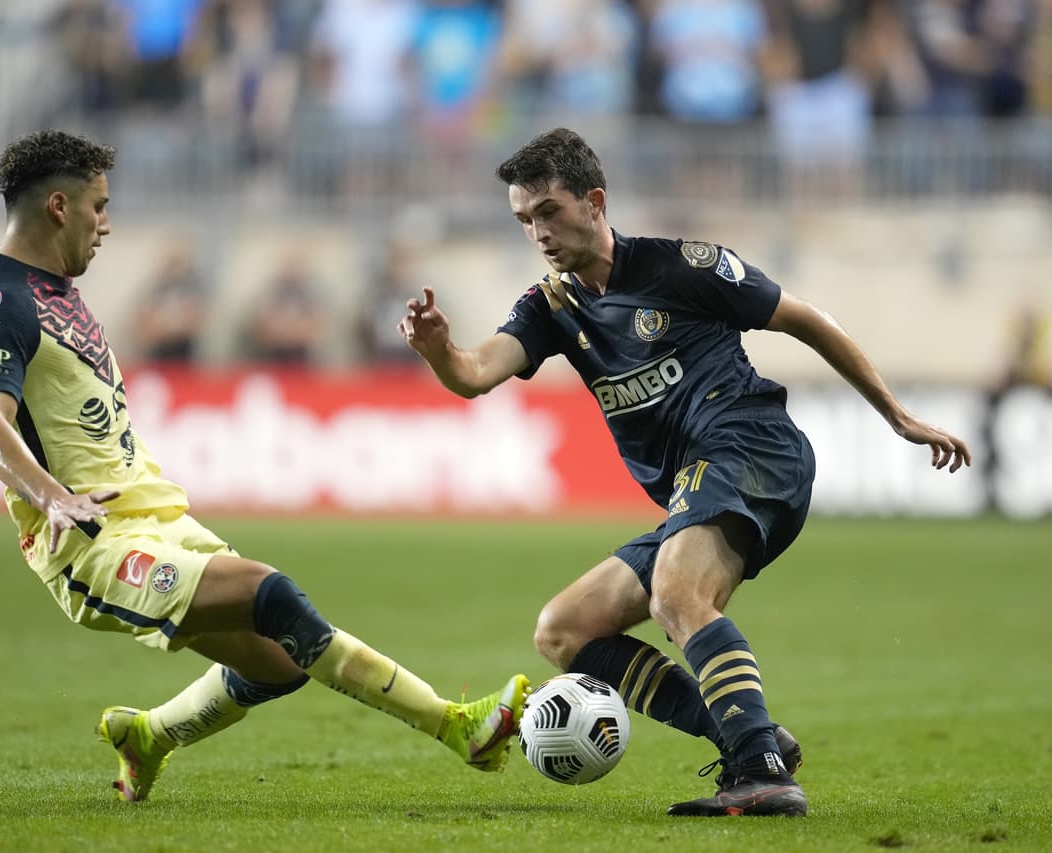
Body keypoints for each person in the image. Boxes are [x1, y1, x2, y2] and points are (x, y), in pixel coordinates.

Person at [0, 129, 528, 803]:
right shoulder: (4, 300)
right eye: (98, 207)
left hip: (153, 515)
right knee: (272, 595)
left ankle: (146, 736)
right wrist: (51, 495)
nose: (106, 224)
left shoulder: (25, 288)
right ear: (58, 206)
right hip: (92, 542)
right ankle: (457, 727)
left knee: (281, 665)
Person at [398, 127, 971, 817]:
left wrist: (897, 415)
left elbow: (806, 319)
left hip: (753, 446)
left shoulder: (681, 268)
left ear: (594, 202)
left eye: (549, 211)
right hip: (696, 487)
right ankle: (748, 737)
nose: (538, 232)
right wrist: (438, 350)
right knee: (565, 629)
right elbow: (473, 373)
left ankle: (762, 774)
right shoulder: (552, 307)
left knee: (676, 592)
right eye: (524, 219)